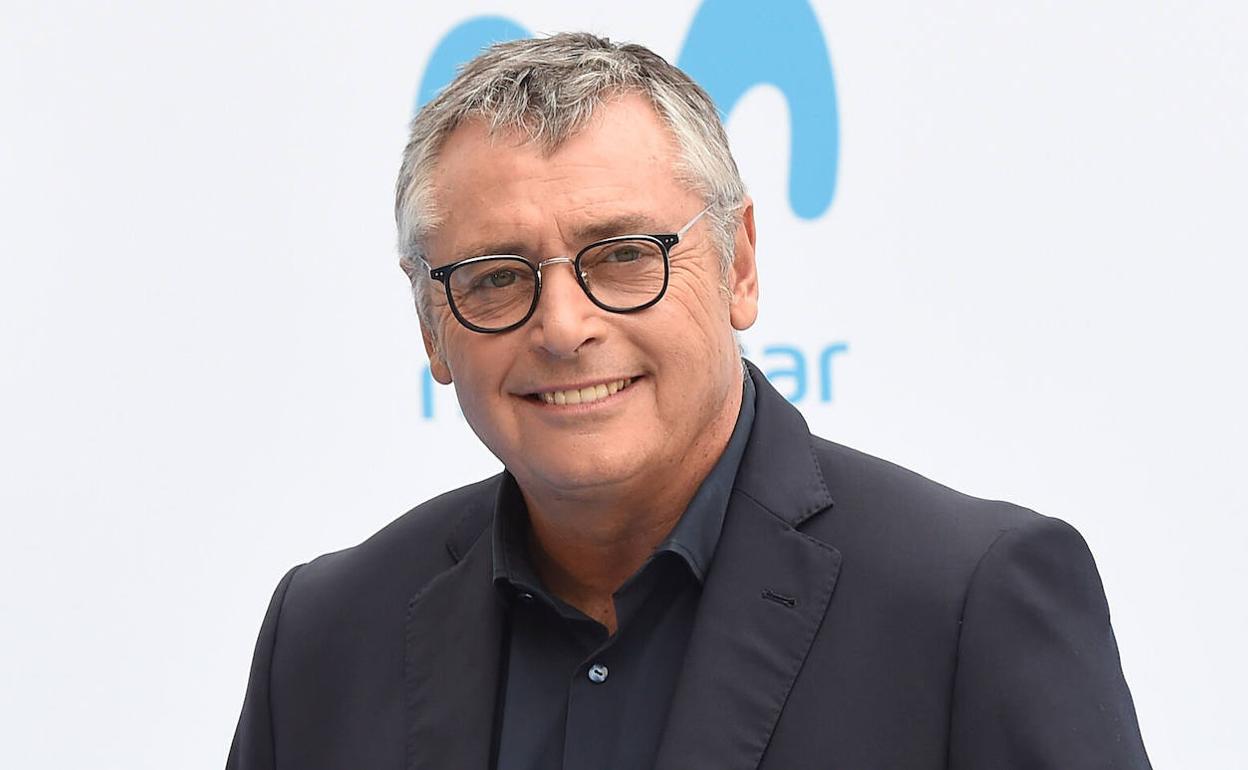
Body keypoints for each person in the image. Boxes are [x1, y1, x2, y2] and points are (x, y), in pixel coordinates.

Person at [226, 33, 1151, 770]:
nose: (563, 327)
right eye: (498, 277)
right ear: (432, 324)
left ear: (738, 265)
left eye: (624, 255)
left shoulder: (968, 600)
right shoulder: (325, 635)